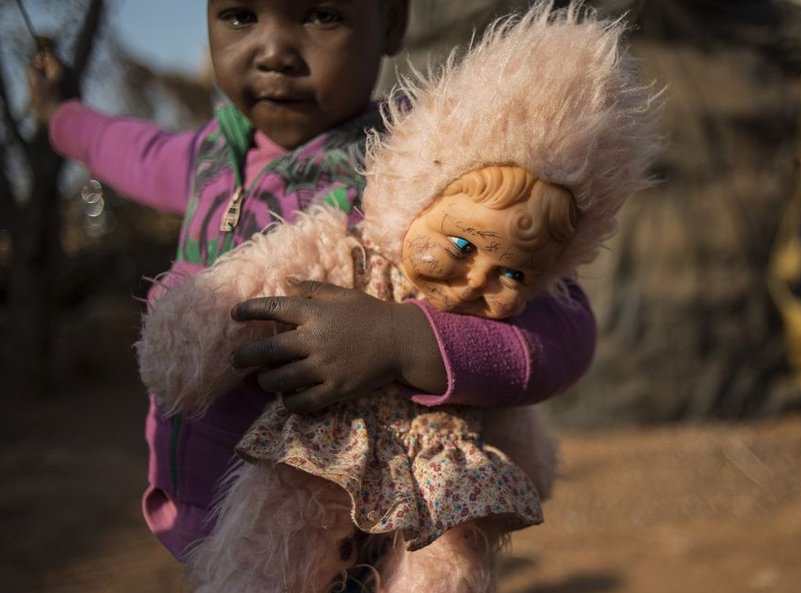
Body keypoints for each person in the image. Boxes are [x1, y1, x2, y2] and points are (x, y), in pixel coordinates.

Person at [27, 0, 597, 569]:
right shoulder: (211, 155)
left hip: (344, 542)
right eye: (239, 16)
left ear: (391, 24)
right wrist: (61, 114)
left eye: (322, 15)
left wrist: (403, 342)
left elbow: (565, 329)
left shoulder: (425, 166)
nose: (274, 52)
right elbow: (122, 147)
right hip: (196, 519)